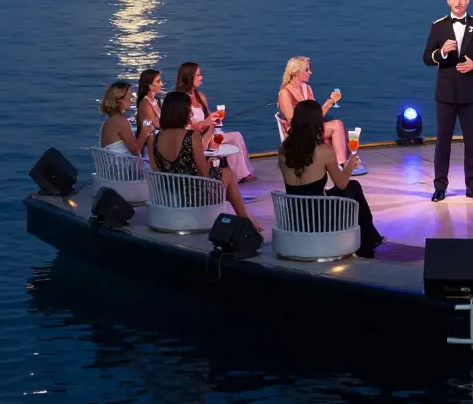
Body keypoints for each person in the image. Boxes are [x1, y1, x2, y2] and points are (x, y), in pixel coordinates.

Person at [278, 99, 384, 258]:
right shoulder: (323, 151)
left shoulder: (283, 151)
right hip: (320, 219)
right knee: (353, 186)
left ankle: (371, 239)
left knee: (337, 190)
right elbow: (341, 184)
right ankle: (367, 243)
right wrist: (349, 164)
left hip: (296, 218)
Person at [422, 0, 473, 202]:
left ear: (468, 0)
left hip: (470, 94)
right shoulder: (438, 27)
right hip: (445, 94)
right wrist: (441, 52)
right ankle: (440, 187)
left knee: (471, 142)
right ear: (448, 1)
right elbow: (426, 58)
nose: (458, 2)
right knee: (442, 141)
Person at [147, 91, 259, 231]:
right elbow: (205, 174)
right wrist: (210, 157)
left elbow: (154, 168)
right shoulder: (191, 137)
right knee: (227, 174)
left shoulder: (153, 139)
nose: (191, 114)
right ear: (182, 112)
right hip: (193, 196)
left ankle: (245, 218)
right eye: (189, 110)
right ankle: (246, 220)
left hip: (168, 194)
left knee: (223, 175)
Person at [174, 61, 255, 181]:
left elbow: (208, 117)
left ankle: (241, 174)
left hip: (210, 133)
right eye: (198, 75)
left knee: (236, 136)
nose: (201, 77)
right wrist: (207, 122)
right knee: (230, 139)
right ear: (189, 77)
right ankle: (239, 175)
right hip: (197, 139)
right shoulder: (181, 100)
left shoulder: (200, 96)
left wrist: (215, 119)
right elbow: (186, 127)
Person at [278, 56, 350, 165]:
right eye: (307, 70)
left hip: (310, 127)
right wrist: (313, 122)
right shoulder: (284, 93)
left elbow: (316, 114)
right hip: (297, 132)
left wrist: (330, 102)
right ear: (295, 72)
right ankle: (341, 163)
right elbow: (293, 120)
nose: (310, 72)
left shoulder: (307, 89)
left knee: (335, 125)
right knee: (336, 125)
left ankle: (336, 162)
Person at [99, 81, 154, 156]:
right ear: (119, 99)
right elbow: (136, 150)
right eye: (129, 95)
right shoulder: (120, 121)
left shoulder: (111, 119)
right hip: (124, 166)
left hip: (115, 164)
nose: (131, 98)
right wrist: (145, 131)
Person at [135, 68, 163, 138]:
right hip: (148, 142)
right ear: (148, 85)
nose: (161, 84)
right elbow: (157, 125)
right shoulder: (145, 103)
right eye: (158, 81)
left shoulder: (156, 100)